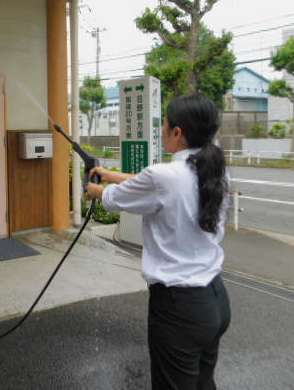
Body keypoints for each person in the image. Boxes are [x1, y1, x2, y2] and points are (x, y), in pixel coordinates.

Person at [85, 94, 231, 390]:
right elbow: (149, 182)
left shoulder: (164, 177)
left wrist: (96, 189)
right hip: (215, 301)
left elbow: (116, 197)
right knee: (204, 384)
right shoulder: (215, 170)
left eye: (165, 125)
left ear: (177, 132)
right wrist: (107, 173)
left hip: (179, 310)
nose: (162, 130)